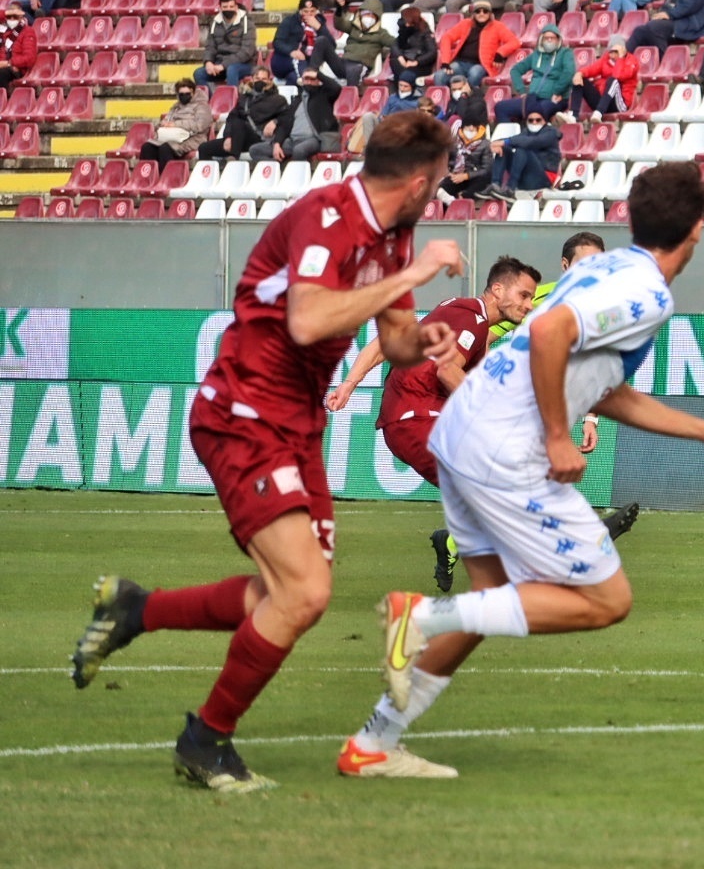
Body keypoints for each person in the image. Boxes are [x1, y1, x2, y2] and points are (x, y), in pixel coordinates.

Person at [339, 163, 704, 780]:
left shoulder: (604, 271)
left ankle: (374, 742)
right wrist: (554, 435)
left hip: (464, 430)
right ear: (698, 230)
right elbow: (548, 331)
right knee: (607, 599)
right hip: (502, 444)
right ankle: (423, 617)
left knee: (491, 602)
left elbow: (604, 389)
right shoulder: (647, 293)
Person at [70, 112, 464, 792]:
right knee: (303, 592)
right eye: (441, 183)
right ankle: (205, 741)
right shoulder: (327, 215)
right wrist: (418, 272)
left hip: (296, 425)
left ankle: (136, 610)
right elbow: (307, 319)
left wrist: (422, 341)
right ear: (420, 182)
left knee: (286, 594)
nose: (440, 196)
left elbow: (397, 338)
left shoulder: (394, 235)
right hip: (244, 412)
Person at [326, 255, 540, 494]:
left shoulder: (457, 313)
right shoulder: (472, 318)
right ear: (498, 290)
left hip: (412, 420)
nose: (529, 305)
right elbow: (447, 371)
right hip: (417, 419)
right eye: (523, 295)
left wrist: (349, 383)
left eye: (531, 298)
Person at [197, 65, 284, 161]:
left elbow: (287, 117)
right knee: (204, 148)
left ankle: (233, 157)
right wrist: (228, 137)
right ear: (252, 79)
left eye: (264, 79)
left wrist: (275, 121)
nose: (260, 81)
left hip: (259, 138)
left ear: (269, 81)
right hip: (238, 137)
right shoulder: (244, 98)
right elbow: (231, 117)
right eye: (257, 78)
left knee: (239, 123)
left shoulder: (278, 100)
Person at [253, 69, 342, 161]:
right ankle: (279, 168)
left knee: (299, 150)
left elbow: (336, 88)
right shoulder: (297, 100)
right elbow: (285, 123)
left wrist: (318, 74)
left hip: (314, 139)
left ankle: (298, 170)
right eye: (306, 79)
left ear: (318, 81)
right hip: (292, 140)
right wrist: (277, 144)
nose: (309, 82)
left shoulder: (324, 96)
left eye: (312, 79)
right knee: (255, 150)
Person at [496, 23, 575, 126]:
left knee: (536, 111)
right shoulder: (536, 55)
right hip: (532, 99)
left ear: (558, 39)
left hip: (554, 99)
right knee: (501, 107)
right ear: (541, 39)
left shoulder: (565, 53)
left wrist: (557, 91)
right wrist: (522, 91)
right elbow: (515, 70)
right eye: (546, 38)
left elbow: (569, 72)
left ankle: (538, 133)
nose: (549, 40)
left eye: (552, 38)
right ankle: (510, 135)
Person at [435, 0, 520, 90]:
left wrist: (500, 53)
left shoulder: (498, 26)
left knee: (475, 74)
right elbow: (446, 38)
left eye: (485, 11)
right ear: (474, 14)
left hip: (482, 65)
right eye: (478, 11)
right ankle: (446, 98)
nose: (481, 14)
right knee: (439, 76)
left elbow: (514, 42)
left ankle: (468, 96)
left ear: (490, 14)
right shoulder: (465, 23)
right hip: (460, 63)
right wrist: (445, 61)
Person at [483, 105, 563, 200]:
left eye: (538, 120)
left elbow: (532, 142)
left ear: (544, 121)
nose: (534, 122)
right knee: (504, 149)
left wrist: (504, 142)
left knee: (522, 149)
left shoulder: (551, 133)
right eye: (531, 120)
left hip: (544, 178)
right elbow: (515, 139)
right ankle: (495, 184)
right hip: (527, 177)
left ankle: (510, 188)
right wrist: (496, 144)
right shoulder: (526, 132)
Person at [139, 79, 214, 169]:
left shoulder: (202, 106)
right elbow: (167, 120)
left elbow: (200, 125)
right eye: (181, 94)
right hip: (172, 137)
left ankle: (168, 176)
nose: (184, 96)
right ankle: (150, 176)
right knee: (147, 147)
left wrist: (176, 124)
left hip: (193, 138)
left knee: (165, 148)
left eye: (187, 93)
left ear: (193, 92)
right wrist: (163, 124)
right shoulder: (176, 107)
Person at [194, 0, 258, 90]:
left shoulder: (247, 24)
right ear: (220, 8)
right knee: (199, 74)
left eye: (231, 6)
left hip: (245, 64)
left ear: (236, 7)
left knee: (232, 70)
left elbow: (247, 52)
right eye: (225, 7)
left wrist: (224, 65)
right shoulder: (215, 23)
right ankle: (211, 98)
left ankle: (231, 98)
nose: (228, 9)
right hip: (220, 64)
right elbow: (210, 47)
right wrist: (208, 62)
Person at [569, 34, 639, 122]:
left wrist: (620, 58)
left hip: (620, 104)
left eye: (615, 52)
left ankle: (599, 112)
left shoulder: (632, 61)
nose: (612, 55)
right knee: (580, 79)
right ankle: (573, 115)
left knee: (613, 81)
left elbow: (619, 76)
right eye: (610, 51)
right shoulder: (606, 59)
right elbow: (592, 69)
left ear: (622, 50)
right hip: (603, 101)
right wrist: (580, 73)